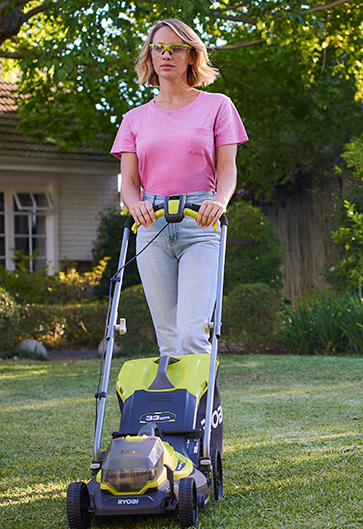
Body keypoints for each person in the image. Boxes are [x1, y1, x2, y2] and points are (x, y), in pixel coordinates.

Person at [111, 19, 248, 359]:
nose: (166, 55)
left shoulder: (218, 106)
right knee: (169, 340)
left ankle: (202, 413)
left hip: (200, 222)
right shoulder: (134, 119)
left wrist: (220, 200)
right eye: (158, 48)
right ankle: (174, 413)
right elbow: (128, 182)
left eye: (176, 48)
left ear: (191, 56)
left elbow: (227, 169)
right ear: (150, 56)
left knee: (191, 334)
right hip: (151, 223)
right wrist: (134, 205)